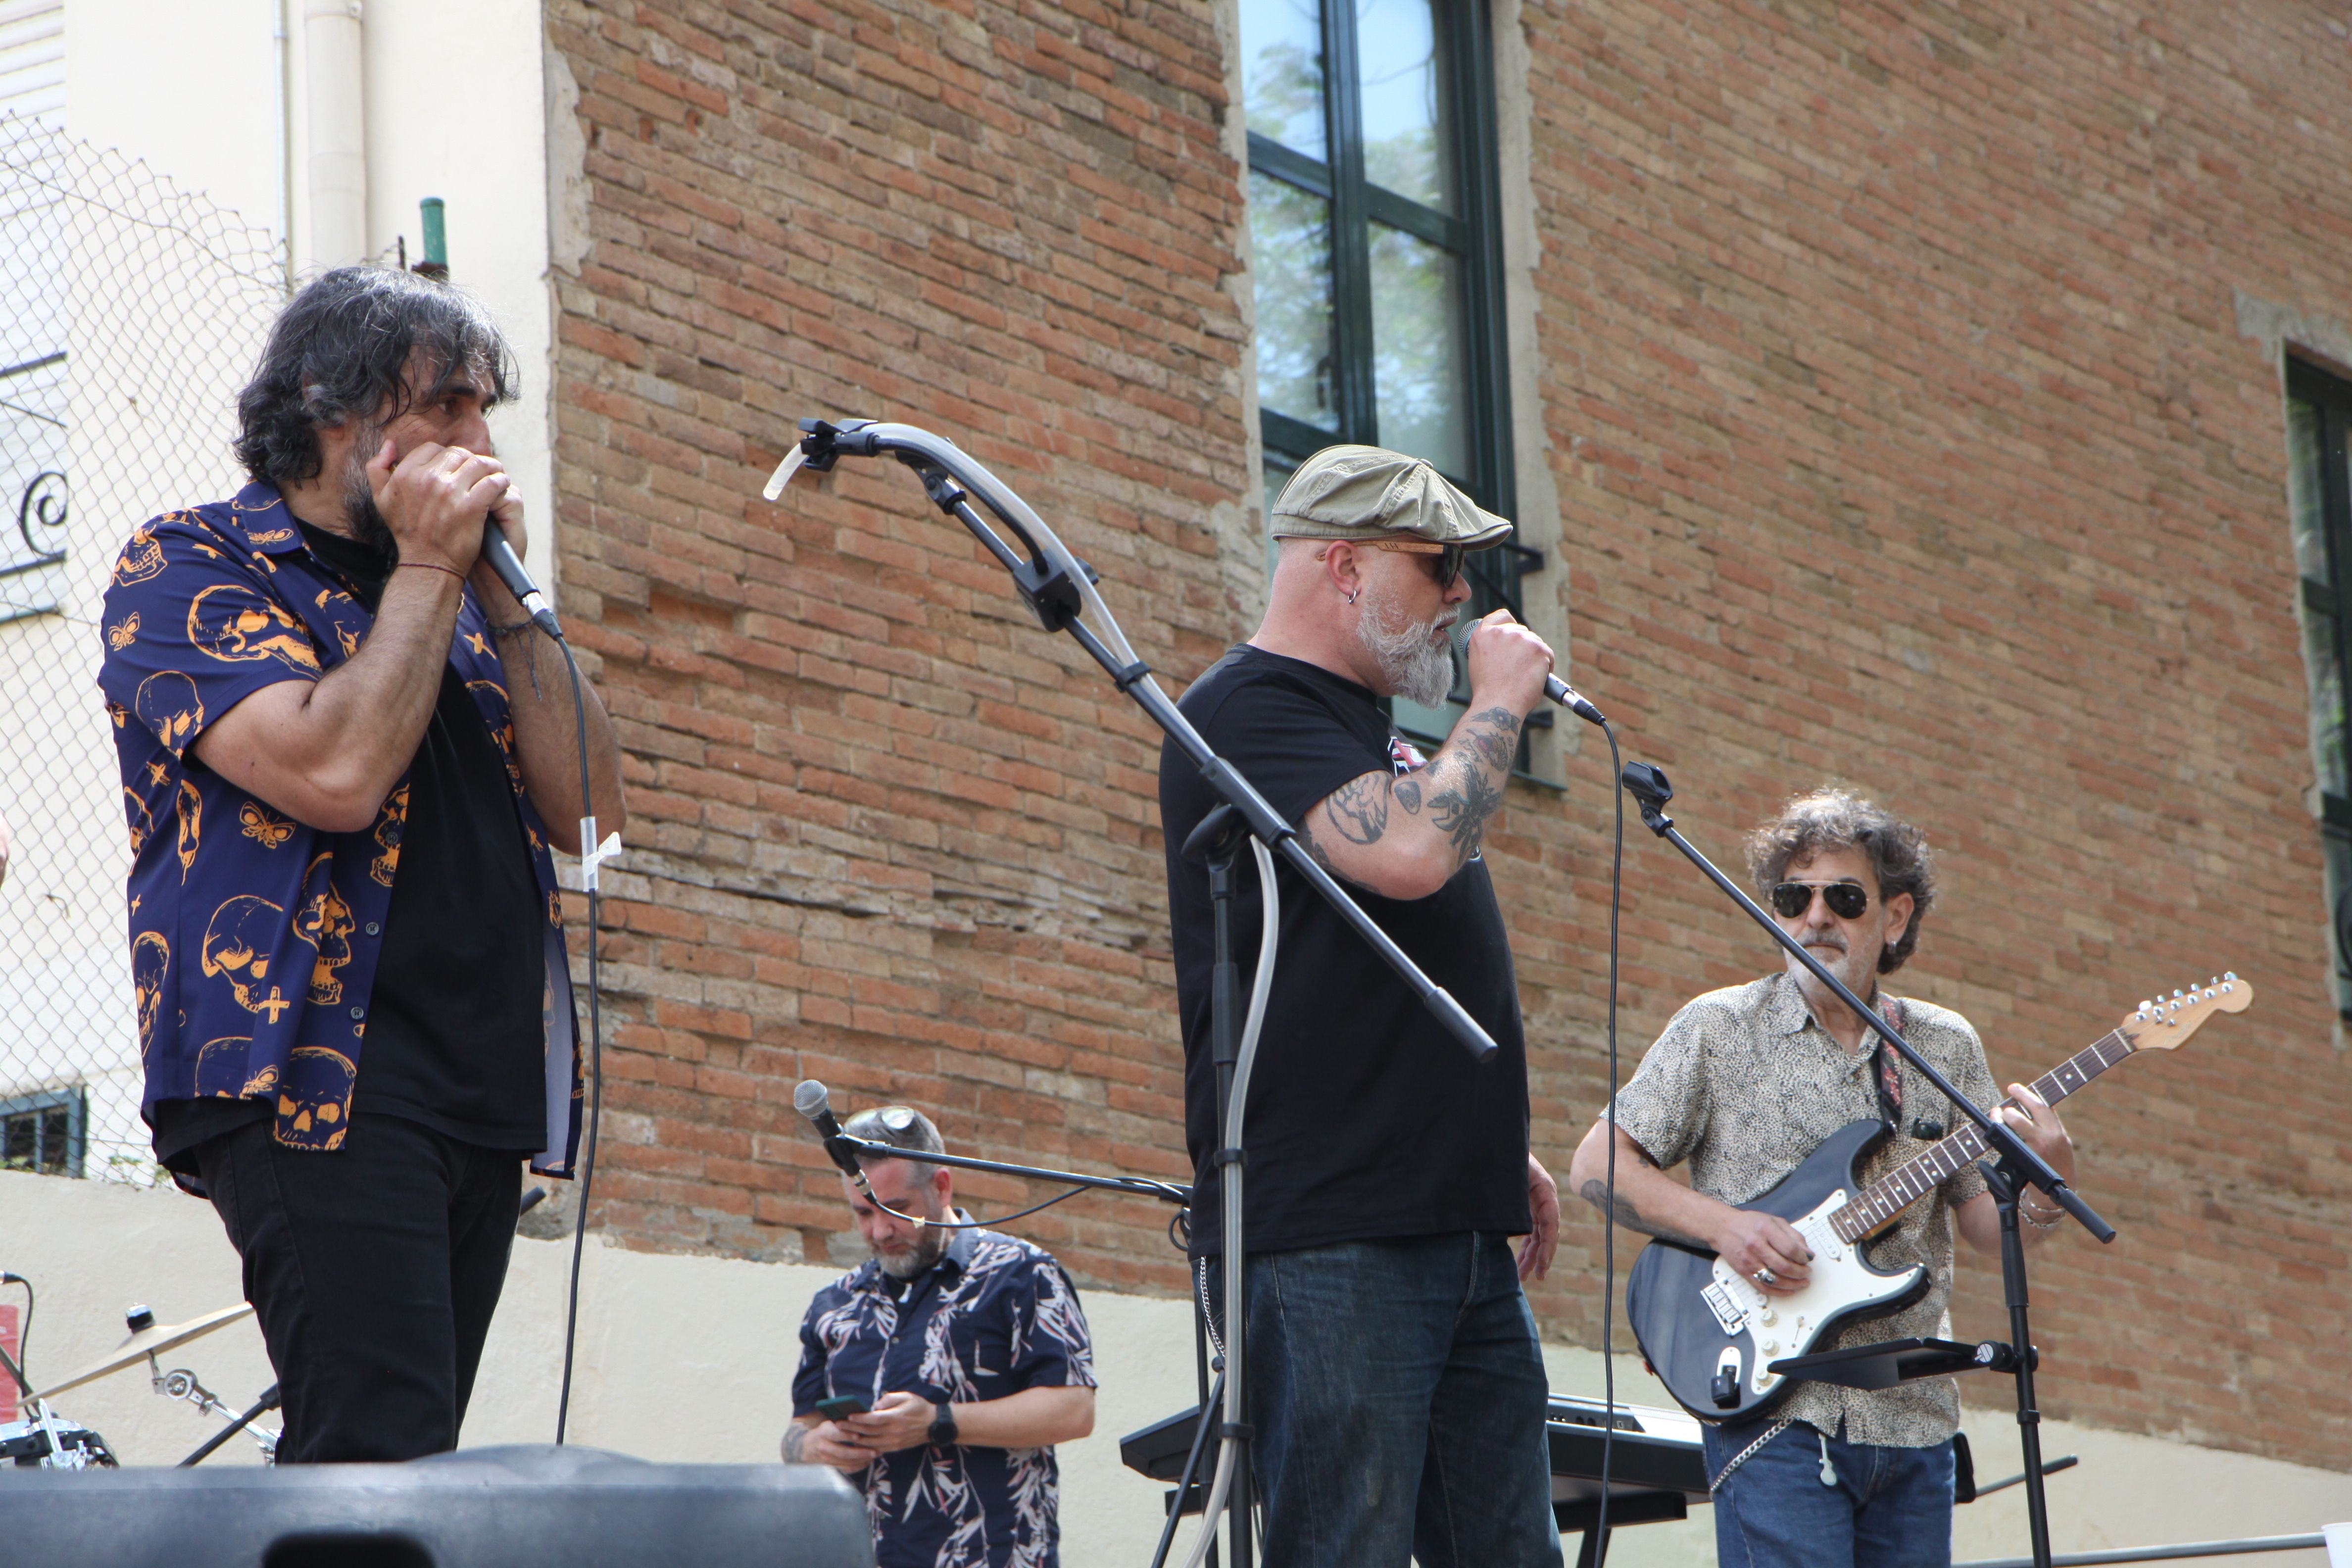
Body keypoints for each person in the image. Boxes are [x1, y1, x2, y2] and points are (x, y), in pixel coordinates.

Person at [96, 265, 625, 1463]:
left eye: (485, 413)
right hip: (315, 1067)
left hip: (481, 1079)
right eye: (448, 408)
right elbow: (332, 774)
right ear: (336, 407)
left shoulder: (448, 599)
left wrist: (497, 592)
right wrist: (436, 570)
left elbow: (591, 815)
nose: (478, 444)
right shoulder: (189, 565)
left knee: (415, 1458)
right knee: (372, 1447)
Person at [1155, 444, 1567, 1568]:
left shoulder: (1374, 728)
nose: (1459, 597)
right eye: (1438, 564)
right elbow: (1411, 852)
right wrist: (1495, 700)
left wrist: (1483, 1131)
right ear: (1342, 565)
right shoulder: (1243, 707)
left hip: (1451, 1218)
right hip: (1333, 1230)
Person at [1566, 787, 2080, 1568]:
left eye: (1843, 898)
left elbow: (1984, 1225)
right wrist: (1727, 1227)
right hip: (1774, 1410)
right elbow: (1596, 1162)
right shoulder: (1718, 1028)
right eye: (1793, 897)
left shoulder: (1943, 1047)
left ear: (1895, 917)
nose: (1815, 918)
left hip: (1914, 1425)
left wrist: (2050, 1182)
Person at [785, 1104, 1097, 1568]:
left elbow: (1074, 1410)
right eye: (863, 1213)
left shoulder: (1022, 1274)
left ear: (941, 1186)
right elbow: (800, 1430)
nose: (881, 1230)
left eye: (897, 1209)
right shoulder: (836, 1302)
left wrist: (937, 1421)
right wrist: (809, 1448)